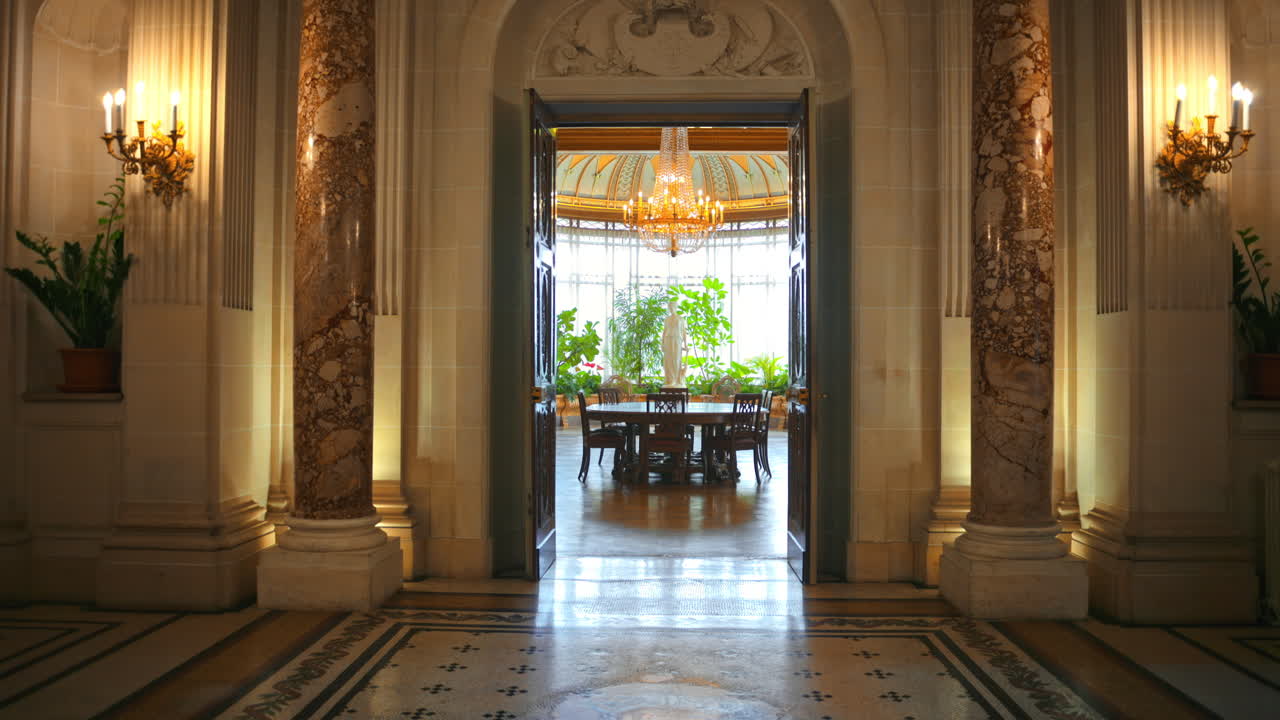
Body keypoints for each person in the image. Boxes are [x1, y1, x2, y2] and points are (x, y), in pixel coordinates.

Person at [661, 299, 687, 387]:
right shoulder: (667, 319)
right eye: (669, 307)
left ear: (676, 307)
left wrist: (685, 345)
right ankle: (670, 380)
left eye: (672, 307)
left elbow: (683, 332)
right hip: (668, 339)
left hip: (677, 340)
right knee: (668, 360)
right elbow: (664, 331)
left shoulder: (680, 319)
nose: (671, 309)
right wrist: (662, 343)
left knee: (676, 360)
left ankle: (676, 380)